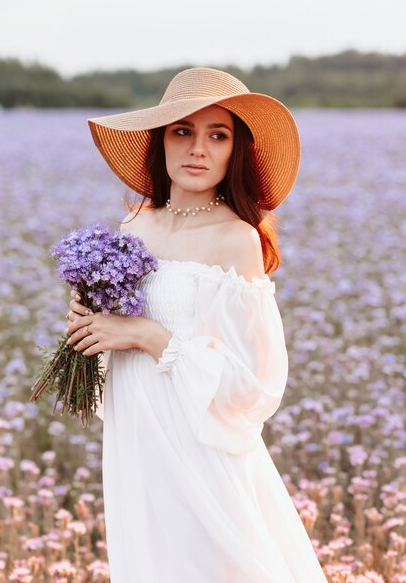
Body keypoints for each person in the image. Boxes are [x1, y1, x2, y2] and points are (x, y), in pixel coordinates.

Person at [64, 68, 327, 582]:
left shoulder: (237, 240)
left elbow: (254, 385)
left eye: (217, 135)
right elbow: (109, 341)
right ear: (160, 141)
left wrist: (147, 336)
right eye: (182, 131)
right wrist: (85, 325)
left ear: (236, 151)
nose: (197, 149)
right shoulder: (134, 226)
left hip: (200, 446)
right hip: (137, 437)